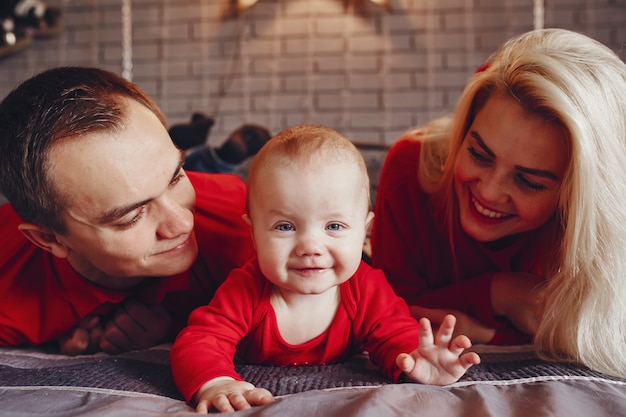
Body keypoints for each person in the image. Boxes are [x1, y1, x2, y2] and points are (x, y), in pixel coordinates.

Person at [170, 124, 481, 413]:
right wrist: (217, 381)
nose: (310, 246)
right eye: (285, 226)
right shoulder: (247, 288)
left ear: (365, 231)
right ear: (253, 232)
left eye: (334, 225)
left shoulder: (364, 286)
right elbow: (199, 340)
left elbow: (393, 333)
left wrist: (416, 360)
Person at [370, 28, 626, 379]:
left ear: (576, 196)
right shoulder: (410, 166)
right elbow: (384, 315)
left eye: (529, 181)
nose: (489, 192)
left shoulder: (597, 236)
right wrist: (498, 292)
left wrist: (483, 330)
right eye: (478, 154)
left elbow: (593, 338)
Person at [0, 66, 255, 354]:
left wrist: (178, 328)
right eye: (131, 217)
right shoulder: (8, 291)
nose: (182, 223)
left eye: (176, 177)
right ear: (50, 239)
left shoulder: (251, 222)